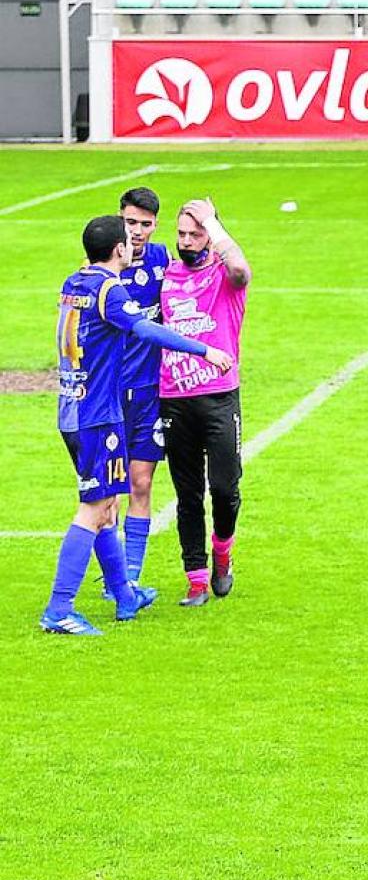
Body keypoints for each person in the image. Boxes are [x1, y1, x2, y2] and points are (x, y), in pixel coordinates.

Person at [44, 215, 231, 635]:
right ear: (118, 250)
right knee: (94, 509)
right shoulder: (110, 289)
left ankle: (125, 596)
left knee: (108, 506)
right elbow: (146, 329)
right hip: (97, 414)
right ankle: (59, 609)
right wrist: (205, 350)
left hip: (71, 408)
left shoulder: (74, 282)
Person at [158, 198, 252, 607]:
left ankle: (223, 549)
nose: (186, 241)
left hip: (218, 397)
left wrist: (213, 224)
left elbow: (240, 269)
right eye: (181, 233)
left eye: (195, 234)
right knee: (188, 493)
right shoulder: (167, 276)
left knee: (225, 488)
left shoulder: (224, 276)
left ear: (212, 238)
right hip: (174, 399)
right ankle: (196, 578)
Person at [114, 185, 173, 591]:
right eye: (130, 222)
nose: (136, 231)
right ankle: (114, 576)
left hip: (150, 392)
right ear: (119, 219)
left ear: (154, 226)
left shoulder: (162, 258)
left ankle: (130, 578)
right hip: (111, 395)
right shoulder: (102, 266)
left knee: (142, 482)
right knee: (107, 492)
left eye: (144, 224)